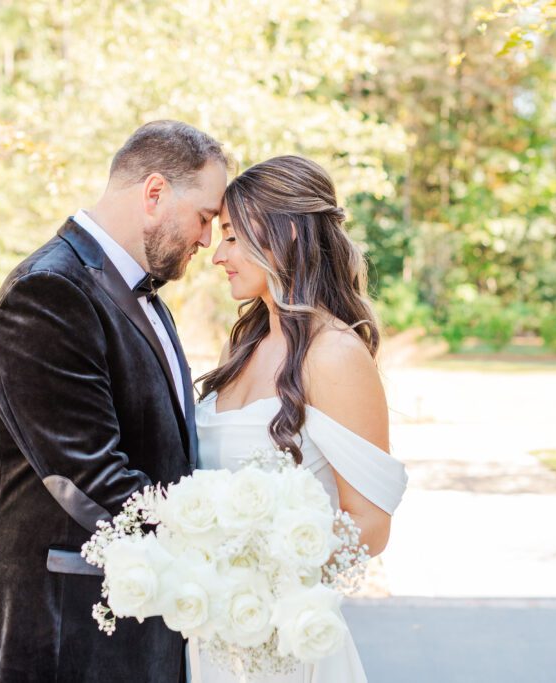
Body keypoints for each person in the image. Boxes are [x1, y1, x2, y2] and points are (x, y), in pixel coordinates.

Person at [0, 120, 228, 682]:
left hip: (132, 617)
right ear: (155, 193)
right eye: (205, 217)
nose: (207, 240)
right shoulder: (48, 292)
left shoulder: (139, 293)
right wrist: (219, 540)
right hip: (65, 627)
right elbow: (86, 476)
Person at [190, 155, 408, 682]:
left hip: (284, 645)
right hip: (208, 636)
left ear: (284, 235)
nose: (217, 255)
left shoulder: (334, 353)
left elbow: (370, 527)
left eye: (232, 237)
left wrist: (266, 584)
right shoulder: (243, 344)